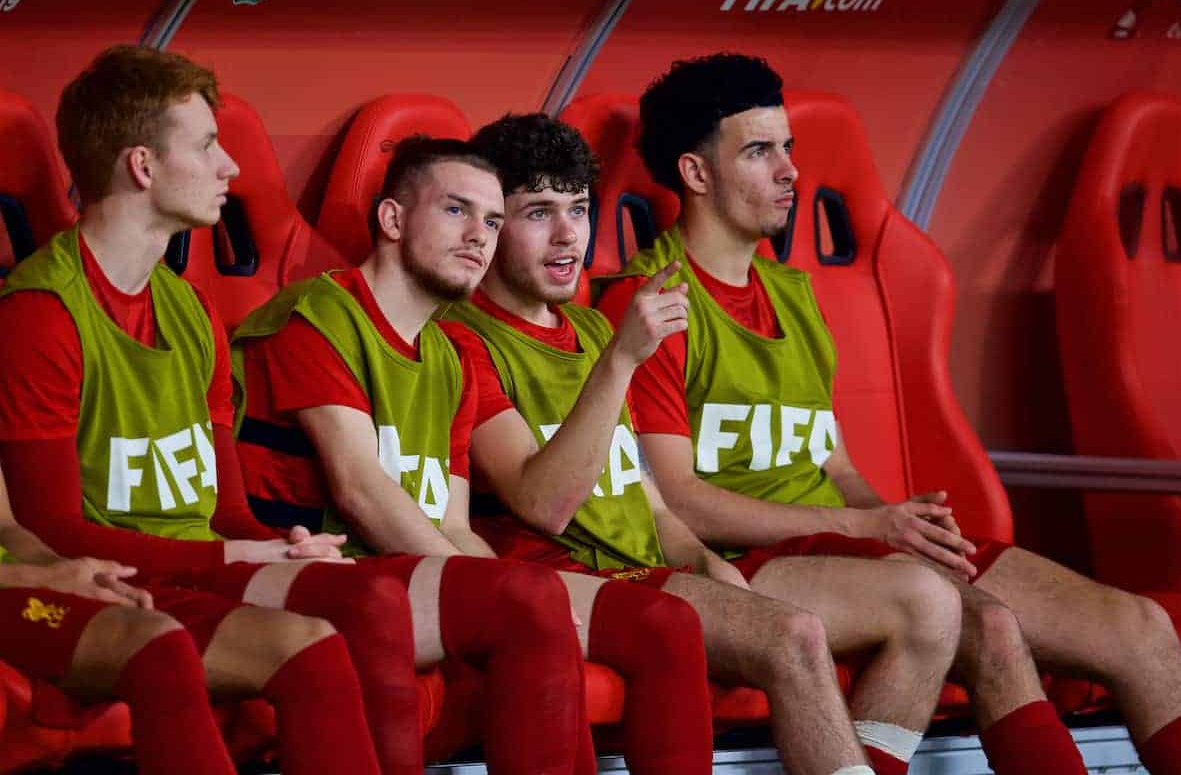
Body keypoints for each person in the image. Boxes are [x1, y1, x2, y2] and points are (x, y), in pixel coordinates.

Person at [596, 52, 1181, 775]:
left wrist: (902, 527)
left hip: (841, 542)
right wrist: (866, 529)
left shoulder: (792, 292)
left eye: (788, 147)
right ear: (695, 174)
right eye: (759, 151)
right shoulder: (648, 304)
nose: (790, 171)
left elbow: (836, 463)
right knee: (990, 627)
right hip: (737, 565)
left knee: (1141, 624)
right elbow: (682, 502)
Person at [0, 45, 585, 775]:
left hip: (196, 562)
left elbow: (226, 509)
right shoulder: (42, 312)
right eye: (208, 145)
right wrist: (234, 552)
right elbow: (48, 526)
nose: (231, 168)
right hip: (122, 570)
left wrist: (283, 545)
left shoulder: (189, 311)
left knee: (366, 601)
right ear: (143, 167)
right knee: (215, 641)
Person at [439, 111, 963, 775]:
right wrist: (622, 363)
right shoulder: (464, 340)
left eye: (578, 209)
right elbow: (543, 504)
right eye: (538, 213)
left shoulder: (592, 329)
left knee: (928, 603)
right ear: (488, 225)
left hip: (651, 562)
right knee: (791, 634)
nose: (569, 236)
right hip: (568, 574)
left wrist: (705, 560)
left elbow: (649, 500)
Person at [232, 134, 716, 775]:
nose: (478, 237)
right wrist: (500, 594)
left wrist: (517, 592)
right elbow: (360, 492)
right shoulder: (318, 316)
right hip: (316, 571)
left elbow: (454, 524)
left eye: (491, 220)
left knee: (561, 608)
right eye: (456, 211)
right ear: (394, 219)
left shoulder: (451, 354)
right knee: (528, 606)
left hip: (410, 579)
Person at [0, 464, 381, 775]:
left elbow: (8, 527)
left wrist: (70, 570)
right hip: (13, 587)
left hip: (29, 578)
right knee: (156, 644)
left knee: (311, 647)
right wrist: (36, 578)